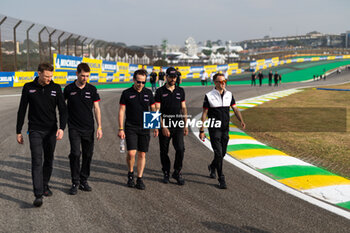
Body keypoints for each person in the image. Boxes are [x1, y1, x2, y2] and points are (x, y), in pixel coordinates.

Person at [16, 62, 67, 207]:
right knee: (37, 160)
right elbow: (22, 110)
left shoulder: (56, 88)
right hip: (35, 130)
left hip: (51, 130)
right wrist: (18, 131)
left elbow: (63, 110)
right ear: (39, 73)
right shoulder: (28, 87)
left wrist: (62, 128)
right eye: (46, 76)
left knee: (49, 159)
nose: (49, 79)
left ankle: (44, 185)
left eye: (51, 76)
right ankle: (38, 194)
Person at [199, 73, 245, 189]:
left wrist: (241, 120)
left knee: (222, 153)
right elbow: (204, 113)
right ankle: (221, 178)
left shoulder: (229, 94)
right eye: (220, 81)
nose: (223, 83)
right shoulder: (208, 95)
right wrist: (201, 130)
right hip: (214, 129)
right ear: (215, 83)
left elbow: (235, 108)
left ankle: (212, 166)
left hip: (225, 129)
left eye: (224, 81)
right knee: (219, 153)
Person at [64, 63, 103, 195]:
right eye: (82, 75)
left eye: (87, 76)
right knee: (75, 154)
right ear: (77, 74)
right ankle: (74, 182)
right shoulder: (69, 89)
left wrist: (100, 127)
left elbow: (96, 108)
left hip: (89, 128)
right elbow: (62, 107)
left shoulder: (92, 89)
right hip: (74, 127)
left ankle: (83, 180)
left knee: (88, 154)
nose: (85, 78)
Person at [118, 69, 158, 190]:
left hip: (145, 127)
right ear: (134, 80)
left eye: (143, 82)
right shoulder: (126, 93)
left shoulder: (148, 93)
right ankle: (131, 174)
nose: (140, 84)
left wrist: (155, 126)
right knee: (131, 153)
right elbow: (121, 111)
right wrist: (120, 128)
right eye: (138, 82)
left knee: (142, 154)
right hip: (130, 126)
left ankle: (139, 178)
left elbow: (153, 109)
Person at [155, 67, 188, 185]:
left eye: (175, 77)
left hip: (178, 124)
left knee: (180, 149)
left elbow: (183, 108)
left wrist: (185, 124)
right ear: (166, 77)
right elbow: (157, 111)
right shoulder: (159, 91)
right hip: (164, 124)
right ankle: (166, 172)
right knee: (164, 151)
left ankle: (177, 171)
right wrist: (163, 126)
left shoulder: (181, 91)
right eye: (171, 76)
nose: (173, 79)